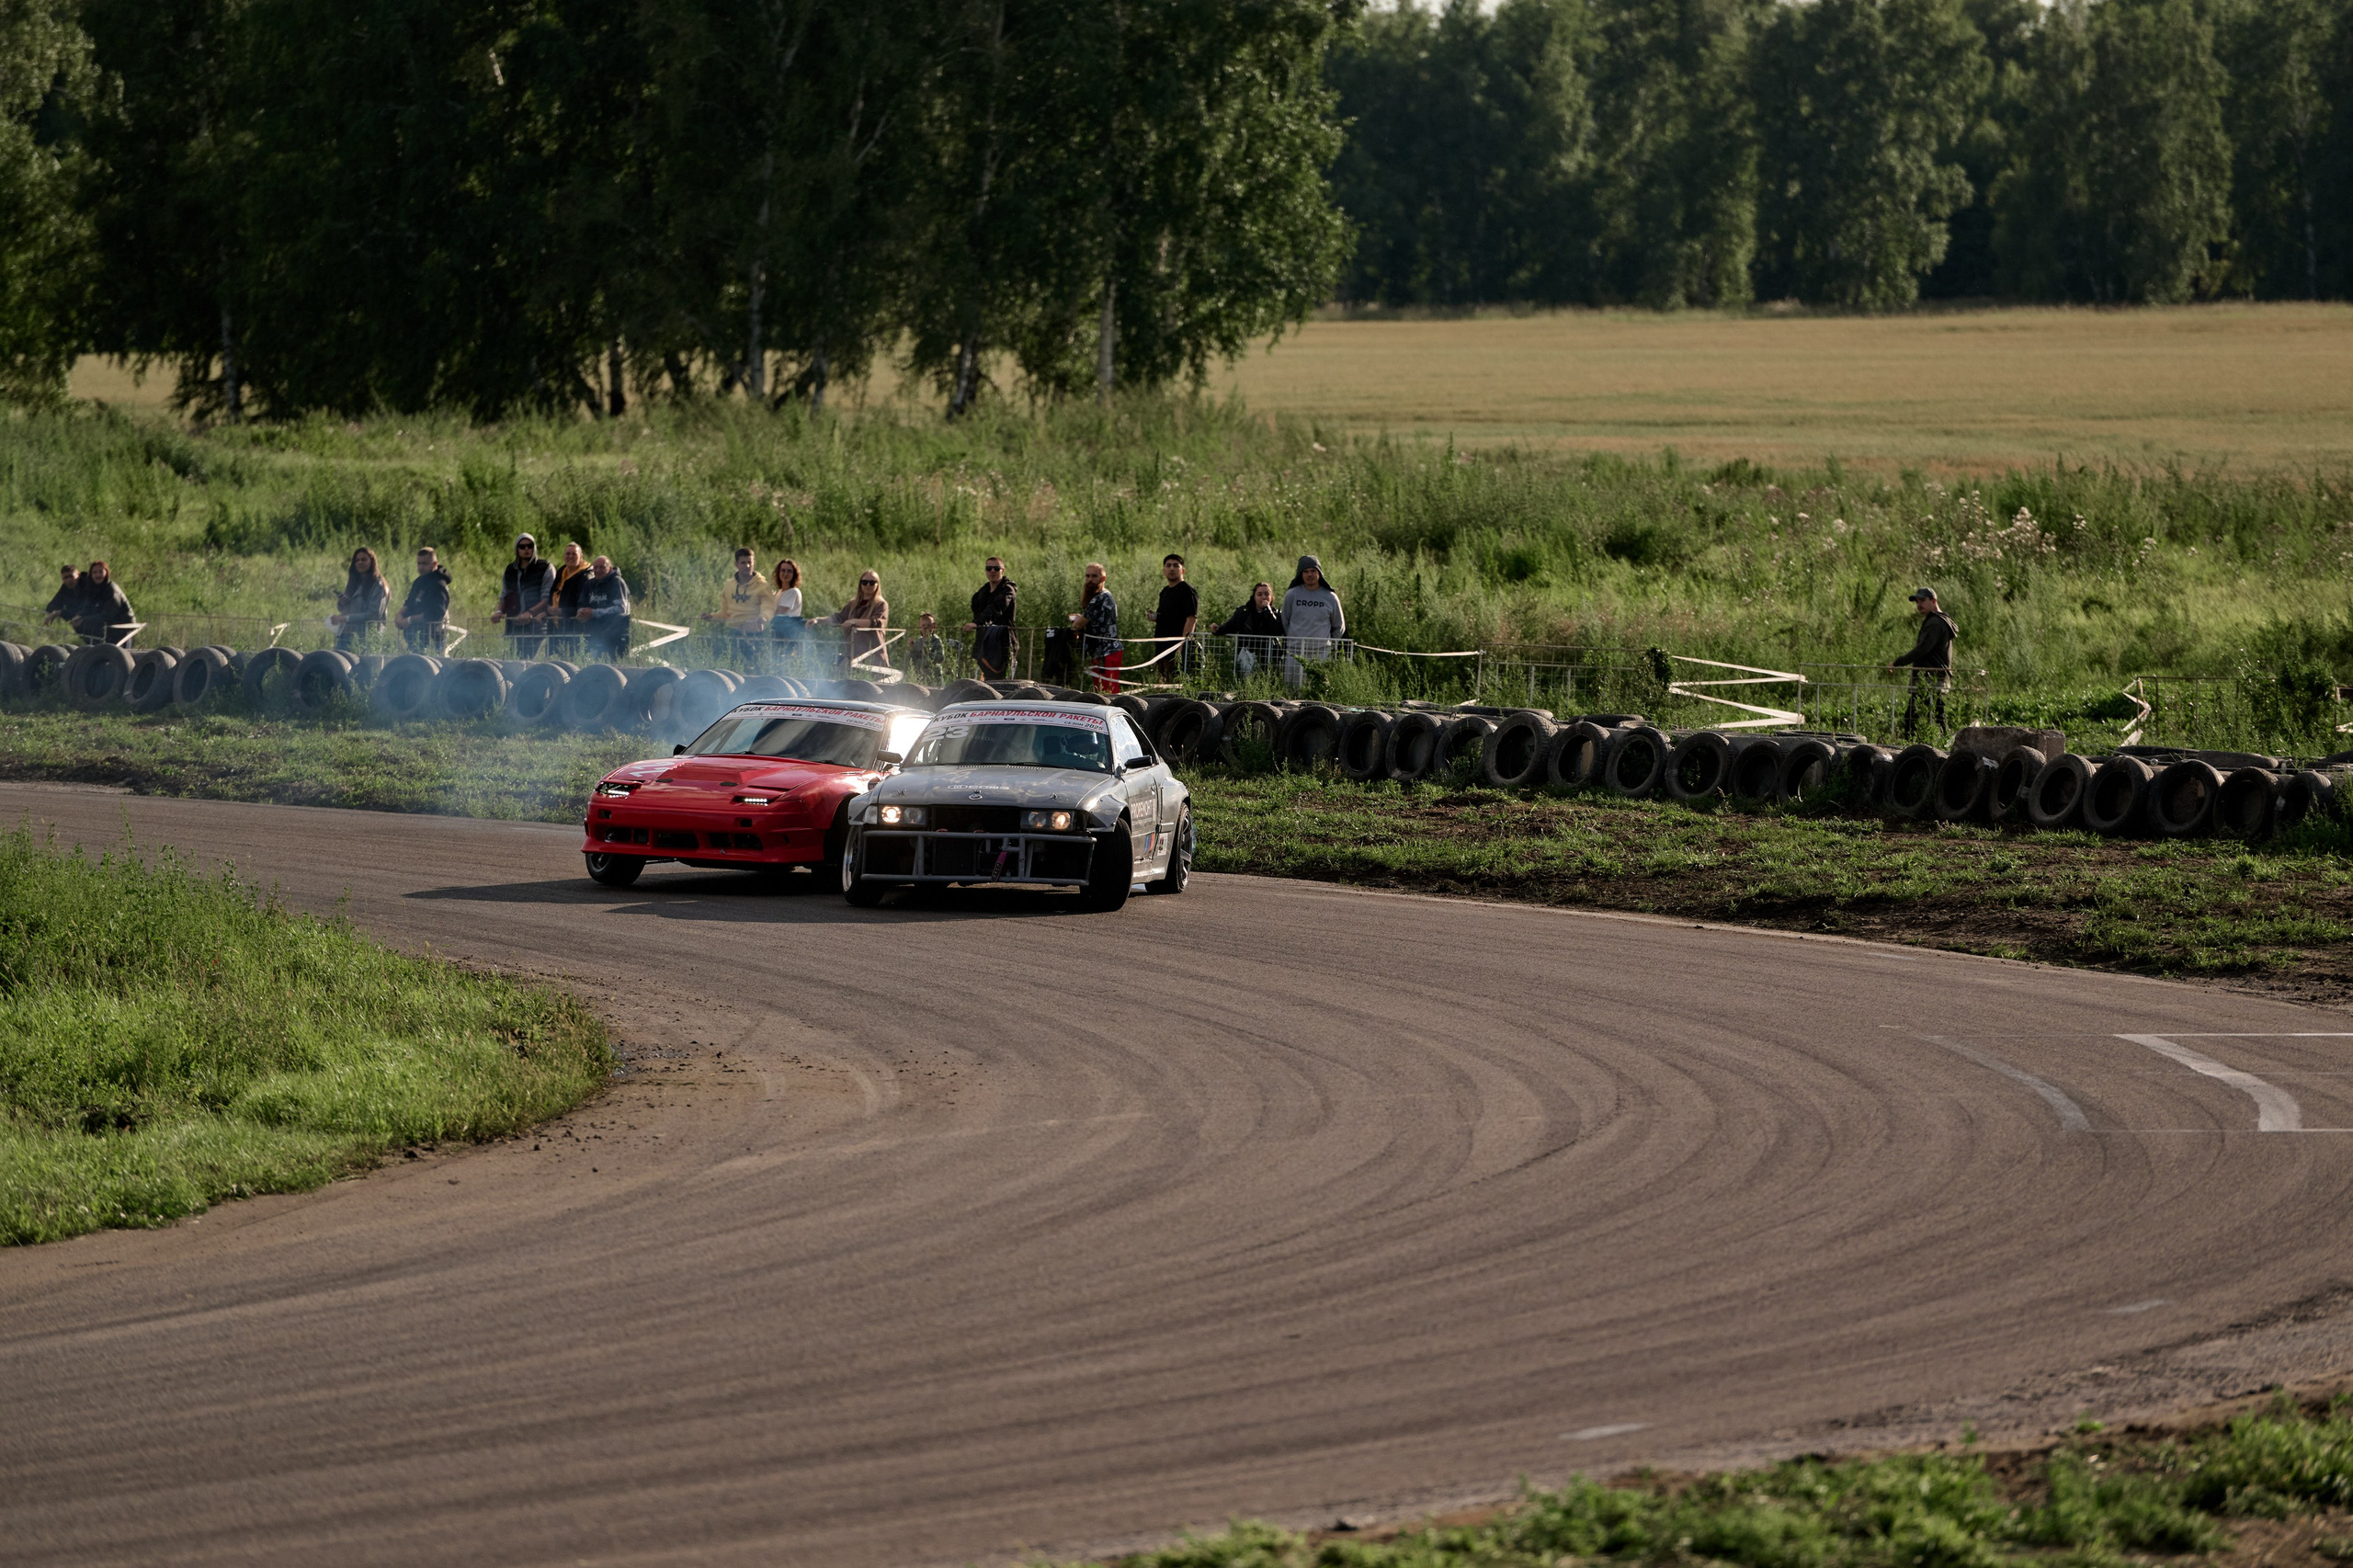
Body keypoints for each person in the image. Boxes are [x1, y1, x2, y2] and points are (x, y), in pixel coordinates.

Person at [1889, 585, 1959, 737]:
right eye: (1916, 601)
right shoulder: (1940, 621)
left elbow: (1922, 649)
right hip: (1934, 677)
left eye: (1922, 600)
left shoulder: (1935, 623)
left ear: (1933, 601)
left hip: (1929, 678)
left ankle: (1910, 747)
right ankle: (1946, 745)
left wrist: (1898, 662)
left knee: (1911, 719)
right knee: (1936, 715)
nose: (1919, 604)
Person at [1279, 554, 1345, 691]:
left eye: (1313, 571)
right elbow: (1285, 621)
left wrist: (1329, 646)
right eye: (1306, 571)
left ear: (1319, 573)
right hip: (1295, 653)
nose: (1310, 575)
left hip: (1321, 654)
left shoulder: (1331, 597)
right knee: (1292, 691)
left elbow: (1339, 626)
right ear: (1300, 574)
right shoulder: (1292, 595)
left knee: (1319, 691)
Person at [704, 546, 774, 665]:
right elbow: (725, 612)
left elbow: (769, 607)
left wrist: (763, 617)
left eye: (749, 562)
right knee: (731, 666)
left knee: (753, 667)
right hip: (734, 633)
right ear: (736, 564)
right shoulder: (728, 585)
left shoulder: (763, 586)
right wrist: (711, 616)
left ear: (753, 563)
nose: (747, 566)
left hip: (754, 635)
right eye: (743, 563)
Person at [493, 533, 556, 657]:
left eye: (530, 546)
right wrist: (499, 611)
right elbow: (504, 594)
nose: (526, 549)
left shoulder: (545, 567)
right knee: (511, 662)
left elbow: (548, 597)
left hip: (536, 625)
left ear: (534, 547)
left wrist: (530, 612)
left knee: (528, 662)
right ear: (517, 549)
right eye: (522, 546)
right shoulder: (510, 570)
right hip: (513, 624)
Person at [1068, 562, 1120, 694]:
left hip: (1107, 651)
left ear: (1103, 579)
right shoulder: (1101, 596)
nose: (1089, 580)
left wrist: (1076, 623)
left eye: (1094, 576)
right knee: (1101, 690)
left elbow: (1078, 624)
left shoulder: (1101, 598)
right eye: (1087, 576)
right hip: (1100, 651)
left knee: (1109, 691)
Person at [1215, 581, 1283, 681]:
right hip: (1247, 654)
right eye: (1259, 594)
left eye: (1266, 594)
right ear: (1254, 597)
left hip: (1269, 656)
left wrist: (1267, 611)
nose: (1263, 597)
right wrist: (1218, 629)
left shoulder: (1276, 614)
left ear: (1271, 597)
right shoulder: (1244, 612)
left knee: (1268, 681)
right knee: (1245, 681)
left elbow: (1277, 630)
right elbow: (1231, 626)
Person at [963, 555, 1017, 680]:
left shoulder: (1008, 589)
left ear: (1002, 571)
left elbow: (996, 608)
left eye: (996, 568)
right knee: (984, 680)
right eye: (989, 568)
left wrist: (977, 623)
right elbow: (976, 607)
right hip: (985, 641)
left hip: (1004, 641)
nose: (992, 571)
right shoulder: (982, 592)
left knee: (1002, 681)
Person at [330, 547, 391, 652]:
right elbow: (347, 609)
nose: (360, 562)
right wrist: (341, 603)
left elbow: (373, 614)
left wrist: (346, 618)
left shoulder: (378, 585)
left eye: (364, 559)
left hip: (367, 638)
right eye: (357, 560)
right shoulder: (354, 582)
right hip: (346, 634)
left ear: (372, 562)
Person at [830, 571, 890, 672]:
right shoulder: (853, 604)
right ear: (860, 584)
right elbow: (839, 618)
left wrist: (854, 621)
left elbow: (878, 622)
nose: (868, 585)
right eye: (864, 582)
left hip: (873, 658)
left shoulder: (881, 604)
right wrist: (817, 620)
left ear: (877, 584)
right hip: (853, 656)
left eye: (872, 582)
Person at [396, 548, 453, 653]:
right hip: (415, 635)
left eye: (425, 564)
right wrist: (400, 614)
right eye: (419, 563)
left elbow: (436, 614)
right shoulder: (418, 582)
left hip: (434, 637)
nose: (421, 567)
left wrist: (409, 620)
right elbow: (410, 602)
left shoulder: (439, 584)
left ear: (434, 564)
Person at [575, 555, 632, 661]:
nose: (598, 570)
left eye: (602, 567)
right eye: (595, 567)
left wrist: (594, 613)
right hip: (593, 634)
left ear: (610, 568)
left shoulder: (617, 582)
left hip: (615, 636)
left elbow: (621, 609)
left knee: (613, 666)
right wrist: (581, 613)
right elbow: (581, 604)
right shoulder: (589, 584)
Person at [1154, 553, 1199, 678]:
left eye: (1175, 566)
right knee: (1161, 687)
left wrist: (1181, 647)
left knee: (1175, 688)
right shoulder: (1165, 591)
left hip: (1177, 648)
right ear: (1164, 571)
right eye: (1168, 565)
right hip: (1162, 648)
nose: (1172, 569)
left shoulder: (1187, 591)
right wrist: (1155, 617)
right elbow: (1167, 617)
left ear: (1183, 570)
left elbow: (1191, 619)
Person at [70, 561, 133, 645]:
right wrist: (78, 616)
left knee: (85, 623)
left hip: (122, 629)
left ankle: (98, 648)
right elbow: (88, 608)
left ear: (106, 573)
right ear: (91, 575)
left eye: (101, 572)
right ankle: (94, 647)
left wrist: (84, 620)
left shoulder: (112, 590)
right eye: (94, 572)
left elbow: (108, 615)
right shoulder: (93, 589)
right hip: (107, 629)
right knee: (78, 623)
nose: (98, 575)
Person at [549, 541, 590, 659]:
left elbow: (583, 607)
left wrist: (561, 612)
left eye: (574, 554)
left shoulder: (585, 577)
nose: (570, 557)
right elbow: (552, 594)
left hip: (575, 631)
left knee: (572, 663)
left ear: (581, 557)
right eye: (568, 554)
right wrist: (546, 611)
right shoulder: (562, 571)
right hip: (557, 629)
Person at [768, 559, 805, 665]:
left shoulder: (793, 592)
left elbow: (779, 612)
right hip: (779, 634)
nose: (785, 574)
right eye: (783, 570)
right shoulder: (780, 593)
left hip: (787, 636)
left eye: (789, 571)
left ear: (794, 574)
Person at [41, 564, 83, 629]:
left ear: (78, 575)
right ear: (62, 579)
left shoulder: (87, 585)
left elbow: (86, 610)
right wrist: (59, 612)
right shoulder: (65, 587)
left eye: (71, 576)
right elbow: (51, 606)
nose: (69, 580)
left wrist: (60, 613)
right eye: (65, 578)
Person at [910, 612, 947, 684]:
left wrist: (928, 652)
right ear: (920, 627)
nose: (926, 628)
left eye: (929, 625)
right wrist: (912, 648)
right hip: (920, 675)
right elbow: (913, 658)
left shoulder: (936, 641)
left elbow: (940, 658)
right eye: (923, 625)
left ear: (934, 626)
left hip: (934, 675)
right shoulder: (918, 641)